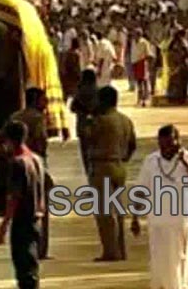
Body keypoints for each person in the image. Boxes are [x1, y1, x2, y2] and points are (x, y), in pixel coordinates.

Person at [131, 125, 188, 289]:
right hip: (157, 222)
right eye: (162, 144)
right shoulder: (151, 161)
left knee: (181, 261)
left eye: (170, 143)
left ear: (178, 142)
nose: (166, 148)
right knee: (159, 263)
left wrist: (183, 161)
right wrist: (135, 218)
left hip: (181, 222)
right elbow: (141, 191)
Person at [83, 85, 136, 262]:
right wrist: (123, 157)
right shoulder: (125, 120)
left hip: (102, 166)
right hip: (119, 166)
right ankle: (121, 249)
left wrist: (89, 118)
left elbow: (87, 137)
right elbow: (132, 145)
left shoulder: (100, 121)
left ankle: (110, 251)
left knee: (104, 212)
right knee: (118, 210)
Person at [0, 120, 45, 289]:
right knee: (32, 264)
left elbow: (14, 197)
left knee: (24, 268)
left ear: (10, 140)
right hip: (37, 219)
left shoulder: (17, 163)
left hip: (22, 219)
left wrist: (4, 224)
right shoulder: (37, 159)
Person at [8, 87, 51, 259]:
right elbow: (42, 141)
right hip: (36, 163)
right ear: (35, 100)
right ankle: (41, 249)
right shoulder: (38, 118)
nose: (46, 103)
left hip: (17, 163)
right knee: (40, 207)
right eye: (43, 99)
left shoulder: (15, 117)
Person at [131, 29, 153, 107]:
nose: (135, 36)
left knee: (144, 81)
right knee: (138, 82)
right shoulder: (133, 42)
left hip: (142, 62)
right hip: (135, 62)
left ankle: (145, 99)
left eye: (136, 34)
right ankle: (139, 99)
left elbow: (149, 54)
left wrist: (145, 61)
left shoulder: (144, 42)